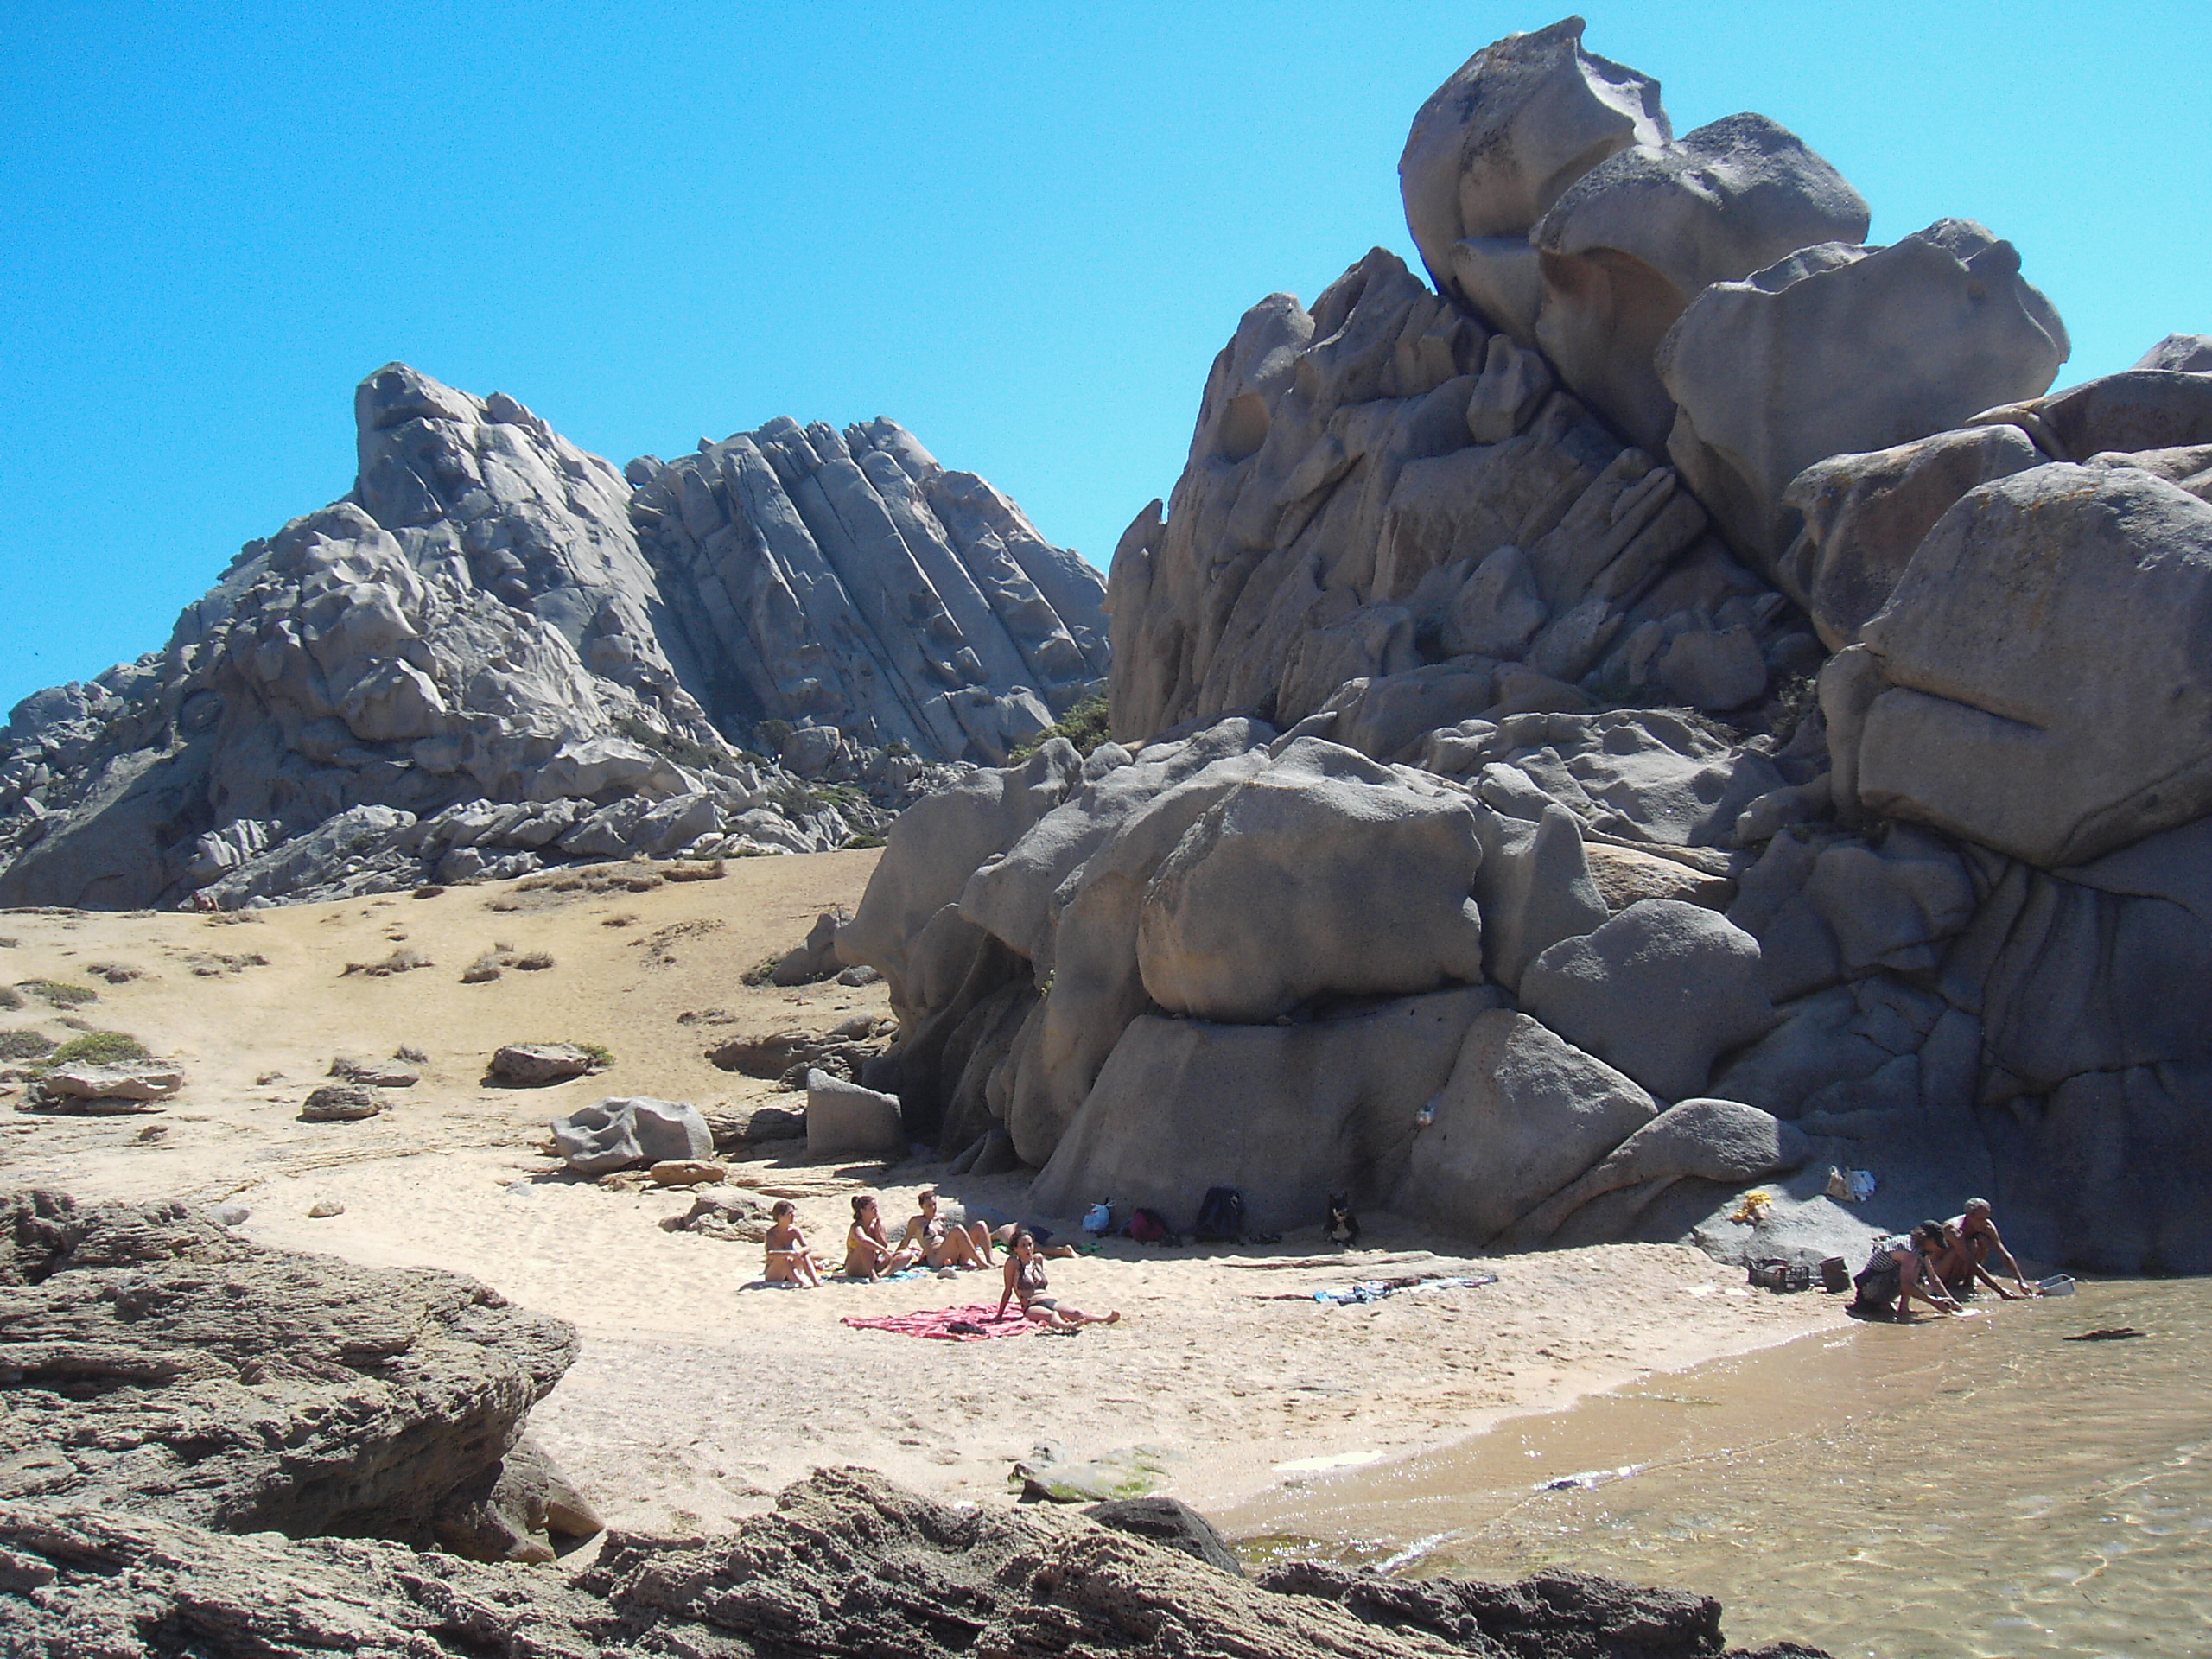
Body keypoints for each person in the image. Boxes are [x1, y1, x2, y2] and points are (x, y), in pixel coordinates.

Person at [996, 1228, 1119, 1331]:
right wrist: (999, 1315)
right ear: (1015, 1249)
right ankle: (1067, 1326)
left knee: (1077, 1313)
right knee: (1052, 1315)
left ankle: (1105, 1319)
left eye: (1030, 1245)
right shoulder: (1013, 1263)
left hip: (1049, 1299)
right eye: (1023, 1246)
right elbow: (1008, 1290)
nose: (1028, 1249)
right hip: (1030, 1305)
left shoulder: (1038, 1259)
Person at [1849, 1222, 1963, 1320]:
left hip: (1876, 1284)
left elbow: (1934, 1279)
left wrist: (1952, 1302)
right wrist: (1934, 1302)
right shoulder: (1910, 1252)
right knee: (1915, 1267)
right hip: (1869, 1289)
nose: (1937, 1248)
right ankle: (1902, 1308)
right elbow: (1907, 1285)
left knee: (1915, 1266)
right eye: (1936, 1243)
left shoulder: (1918, 1248)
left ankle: (1896, 1307)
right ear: (1927, 1239)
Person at [1943, 1198, 2036, 1300]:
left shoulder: (1986, 1225)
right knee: (1970, 1246)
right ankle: (1950, 1286)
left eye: (1986, 1218)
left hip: (1964, 1264)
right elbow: (1971, 1262)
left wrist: (2021, 1281)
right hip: (1941, 1269)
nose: (1984, 1223)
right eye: (1980, 1219)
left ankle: (1969, 1281)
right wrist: (2000, 1290)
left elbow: (2003, 1253)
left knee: (1982, 1240)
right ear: (1969, 1216)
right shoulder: (1953, 1230)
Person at [897, 1186, 993, 1270]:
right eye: (929, 1206)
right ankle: (980, 1263)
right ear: (922, 1207)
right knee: (957, 1230)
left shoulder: (940, 1218)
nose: (933, 1208)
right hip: (936, 1258)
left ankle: (990, 1261)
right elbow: (905, 1242)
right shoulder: (916, 1222)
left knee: (981, 1225)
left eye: (934, 1204)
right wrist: (894, 1258)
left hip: (953, 1255)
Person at [843, 1193, 921, 1281]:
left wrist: (878, 1229)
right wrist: (882, 1250)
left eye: (876, 1207)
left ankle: (882, 1274)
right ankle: (872, 1275)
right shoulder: (856, 1227)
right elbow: (864, 1240)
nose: (876, 1211)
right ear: (862, 1211)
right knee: (866, 1245)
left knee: (906, 1254)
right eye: (872, 1208)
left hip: (874, 1262)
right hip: (856, 1267)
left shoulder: (876, 1225)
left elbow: (884, 1244)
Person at [762, 1199, 823, 1287]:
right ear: (780, 1216)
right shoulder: (771, 1233)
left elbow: (807, 1247)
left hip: (792, 1268)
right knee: (783, 1258)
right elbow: (770, 1254)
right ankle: (801, 1283)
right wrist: (788, 1253)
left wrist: (800, 1251)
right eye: (790, 1213)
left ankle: (815, 1282)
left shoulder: (794, 1231)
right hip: (775, 1273)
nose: (793, 1216)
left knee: (804, 1255)